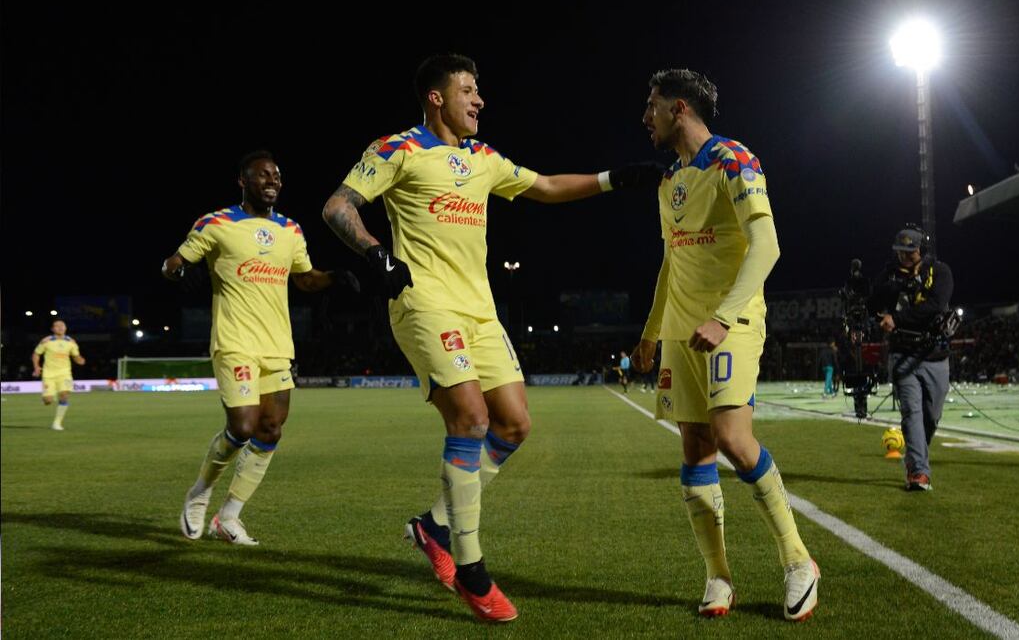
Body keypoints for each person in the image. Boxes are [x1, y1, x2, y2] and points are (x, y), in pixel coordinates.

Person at [321, 53, 661, 622]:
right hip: (424, 302)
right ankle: (471, 570)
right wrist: (376, 254)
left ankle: (433, 526)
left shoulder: (484, 158)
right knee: (471, 419)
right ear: (436, 97)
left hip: (480, 312)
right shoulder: (398, 149)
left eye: (479, 90)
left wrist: (615, 179)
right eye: (468, 90)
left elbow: (546, 186)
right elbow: (338, 207)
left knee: (514, 424)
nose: (479, 100)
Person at [629, 68, 818, 621]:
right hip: (680, 330)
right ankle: (718, 576)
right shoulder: (670, 180)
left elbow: (767, 245)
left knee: (734, 439)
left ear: (680, 108)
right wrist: (650, 331)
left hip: (729, 322)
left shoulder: (734, 160)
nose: (645, 117)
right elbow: (671, 262)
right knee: (695, 448)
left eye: (652, 105)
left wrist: (723, 316)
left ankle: (798, 560)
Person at [162, 150, 358, 547]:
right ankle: (199, 493)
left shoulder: (291, 230)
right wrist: (178, 272)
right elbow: (173, 263)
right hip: (235, 341)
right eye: (264, 175)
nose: (273, 181)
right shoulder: (216, 223)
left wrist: (335, 277)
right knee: (242, 427)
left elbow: (305, 279)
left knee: (270, 429)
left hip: (276, 345)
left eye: (277, 176)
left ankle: (229, 516)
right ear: (243, 180)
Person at [869, 225, 954, 492]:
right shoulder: (890, 275)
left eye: (910, 252)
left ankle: (916, 456)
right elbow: (873, 301)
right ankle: (918, 471)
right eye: (900, 252)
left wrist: (897, 318)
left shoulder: (940, 272)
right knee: (911, 413)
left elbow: (935, 306)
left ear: (922, 250)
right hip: (902, 354)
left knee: (932, 416)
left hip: (935, 355)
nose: (904, 257)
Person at [32, 319, 86, 431]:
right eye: (57, 326)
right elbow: (36, 354)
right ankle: (48, 397)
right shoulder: (46, 341)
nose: (61, 327)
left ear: (66, 328)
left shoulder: (71, 342)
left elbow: (76, 356)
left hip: (65, 374)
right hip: (49, 374)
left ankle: (57, 423)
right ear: (52, 329)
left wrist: (80, 360)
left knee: (64, 395)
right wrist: (36, 367)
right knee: (48, 401)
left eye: (63, 325)